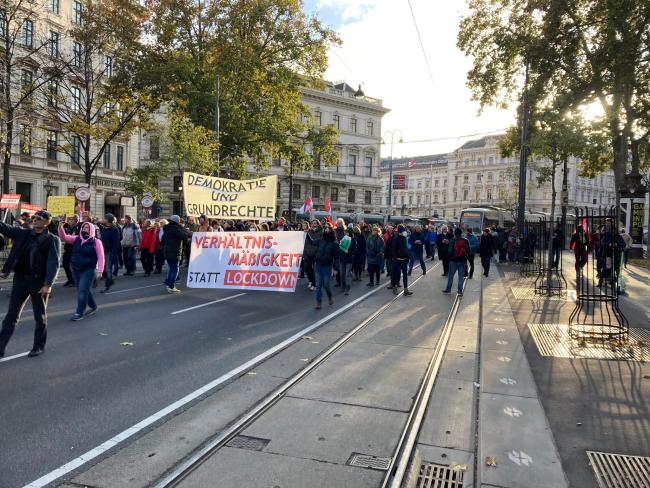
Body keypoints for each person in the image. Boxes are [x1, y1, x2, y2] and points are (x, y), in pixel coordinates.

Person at [0, 211, 61, 358]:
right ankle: (0, 347)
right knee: (11, 315)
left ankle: (38, 346)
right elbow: (4, 228)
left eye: (38, 218)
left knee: (39, 316)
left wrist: (48, 284)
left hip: (38, 282)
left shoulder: (52, 239)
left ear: (47, 222)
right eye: (33, 218)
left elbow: (53, 263)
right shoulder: (23, 233)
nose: (34, 220)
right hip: (20, 279)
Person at [59, 220, 105, 321]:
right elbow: (64, 238)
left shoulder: (96, 242)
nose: (85, 229)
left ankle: (79, 312)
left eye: (87, 228)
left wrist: (100, 271)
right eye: (83, 227)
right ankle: (93, 306)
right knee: (84, 290)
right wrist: (60, 227)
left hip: (89, 269)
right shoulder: (76, 239)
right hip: (76, 269)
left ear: (92, 229)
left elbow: (101, 257)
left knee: (82, 291)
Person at [162, 215, 189, 293]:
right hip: (174, 252)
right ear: (177, 221)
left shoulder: (167, 228)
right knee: (175, 269)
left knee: (171, 268)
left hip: (167, 251)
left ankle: (168, 284)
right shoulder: (175, 229)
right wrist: (184, 230)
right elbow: (183, 236)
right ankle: (171, 286)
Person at [314, 224, 337, 309]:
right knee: (318, 285)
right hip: (318, 265)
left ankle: (330, 296)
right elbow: (312, 242)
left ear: (331, 232)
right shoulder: (320, 241)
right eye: (325, 229)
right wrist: (306, 233)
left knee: (326, 285)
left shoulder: (334, 244)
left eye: (328, 229)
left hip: (327, 267)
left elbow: (336, 257)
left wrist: (335, 268)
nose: (326, 230)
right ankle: (318, 302)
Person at [443, 228, 469, 296]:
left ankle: (448, 290)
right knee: (460, 276)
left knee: (451, 276)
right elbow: (468, 250)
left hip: (453, 261)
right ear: (461, 233)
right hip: (462, 261)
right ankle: (459, 292)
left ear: (455, 233)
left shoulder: (453, 240)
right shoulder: (465, 240)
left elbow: (449, 252)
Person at [389, 224, 412, 296]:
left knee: (405, 275)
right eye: (403, 231)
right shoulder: (395, 239)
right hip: (397, 260)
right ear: (400, 232)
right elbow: (393, 250)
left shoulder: (404, 238)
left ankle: (406, 290)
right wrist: (395, 257)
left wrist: (407, 256)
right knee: (395, 274)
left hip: (404, 259)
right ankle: (394, 288)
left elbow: (406, 248)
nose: (405, 232)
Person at [100, 213, 121, 293]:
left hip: (109, 252)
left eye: (104, 218)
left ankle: (107, 286)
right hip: (103, 251)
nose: (103, 219)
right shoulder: (105, 228)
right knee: (104, 269)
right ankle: (110, 281)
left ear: (108, 220)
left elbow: (116, 243)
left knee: (108, 269)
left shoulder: (114, 229)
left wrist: (113, 254)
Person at [303, 220, 322, 290]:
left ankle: (314, 284)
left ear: (318, 224)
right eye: (312, 223)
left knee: (314, 270)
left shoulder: (321, 232)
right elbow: (306, 243)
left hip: (315, 253)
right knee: (307, 268)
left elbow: (318, 242)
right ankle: (311, 280)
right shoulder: (309, 231)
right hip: (307, 253)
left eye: (315, 223)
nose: (313, 224)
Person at [61, 215, 79, 287]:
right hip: (67, 249)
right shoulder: (67, 228)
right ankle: (70, 280)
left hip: (75, 250)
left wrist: (70, 237)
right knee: (65, 264)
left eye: (72, 220)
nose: (70, 221)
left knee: (74, 266)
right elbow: (63, 237)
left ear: (75, 221)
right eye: (69, 220)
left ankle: (75, 280)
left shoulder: (78, 228)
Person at [339, 226, 356, 295]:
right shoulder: (343, 239)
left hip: (349, 259)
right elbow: (340, 248)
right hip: (342, 258)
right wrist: (340, 245)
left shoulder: (353, 240)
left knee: (347, 274)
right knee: (342, 274)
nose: (345, 234)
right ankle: (343, 285)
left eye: (346, 233)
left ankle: (347, 288)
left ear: (349, 233)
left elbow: (354, 251)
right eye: (344, 233)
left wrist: (348, 251)